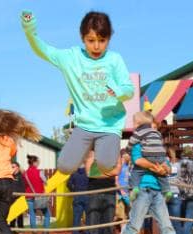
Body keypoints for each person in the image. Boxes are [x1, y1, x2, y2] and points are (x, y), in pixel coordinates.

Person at [22, 10, 133, 177]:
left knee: (106, 164)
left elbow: (129, 89)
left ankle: (103, 160)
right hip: (84, 125)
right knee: (64, 166)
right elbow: (42, 50)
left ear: (109, 39)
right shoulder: (71, 58)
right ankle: (92, 155)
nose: (96, 46)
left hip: (109, 124)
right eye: (91, 41)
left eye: (102, 41)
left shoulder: (114, 59)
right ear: (82, 38)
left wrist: (118, 92)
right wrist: (29, 30)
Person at [107, 111, 179, 234]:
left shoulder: (157, 146)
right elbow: (138, 160)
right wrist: (155, 168)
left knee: (167, 227)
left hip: (158, 192)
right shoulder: (137, 144)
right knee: (134, 226)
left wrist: (165, 168)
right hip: (143, 189)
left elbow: (167, 164)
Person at [174, 147, 193, 234]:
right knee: (190, 214)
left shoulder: (178, 164)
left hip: (181, 191)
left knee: (180, 214)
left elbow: (177, 178)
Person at [23, 154, 51, 234]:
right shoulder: (40, 172)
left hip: (29, 196)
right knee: (47, 214)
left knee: (32, 215)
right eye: (38, 162)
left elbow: (24, 184)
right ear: (34, 162)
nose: (39, 163)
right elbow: (46, 182)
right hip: (39, 196)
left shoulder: (25, 173)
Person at [68, 159, 91, 234]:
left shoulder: (74, 173)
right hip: (87, 196)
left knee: (76, 217)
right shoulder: (88, 173)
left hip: (77, 196)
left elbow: (69, 184)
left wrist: (73, 190)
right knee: (88, 216)